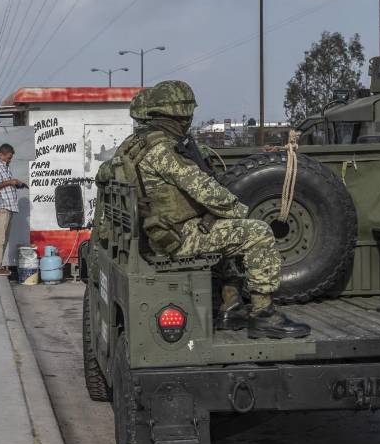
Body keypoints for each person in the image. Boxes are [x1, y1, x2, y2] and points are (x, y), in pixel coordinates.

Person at [116, 80, 310, 339]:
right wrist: (240, 212)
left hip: (156, 231)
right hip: (176, 236)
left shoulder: (135, 144)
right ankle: (263, 315)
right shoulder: (163, 150)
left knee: (223, 228)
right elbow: (208, 192)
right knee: (258, 232)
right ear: (178, 115)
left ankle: (230, 306)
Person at [0, 143, 25, 276]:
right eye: (8, 158)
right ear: (1, 154)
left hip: (7, 207)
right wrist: (11, 182)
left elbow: (5, 185)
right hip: (0, 207)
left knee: (3, 239)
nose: (9, 160)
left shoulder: (4, 167)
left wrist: (17, 184)